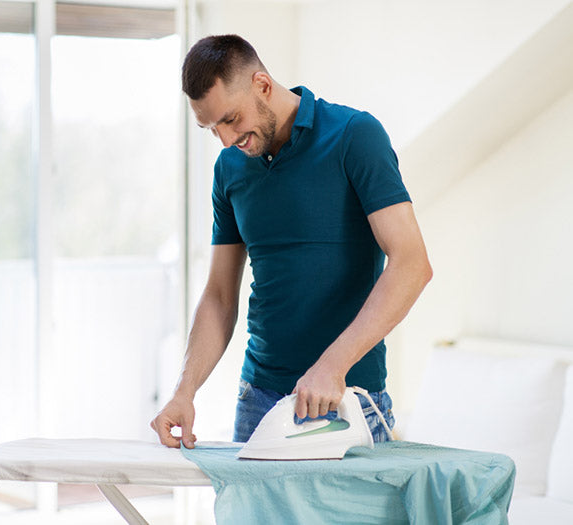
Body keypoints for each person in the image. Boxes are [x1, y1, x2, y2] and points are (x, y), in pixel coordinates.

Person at [150, 34, 432, 449]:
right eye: (211, 129)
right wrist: (183, 391)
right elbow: (219, 296)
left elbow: (412, 264)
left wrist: (332, 366)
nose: (227, 140)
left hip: (348, 399)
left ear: (262, 85)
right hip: (259, 400)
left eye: (230, 119)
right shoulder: (230, 168)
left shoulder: (355, 136)